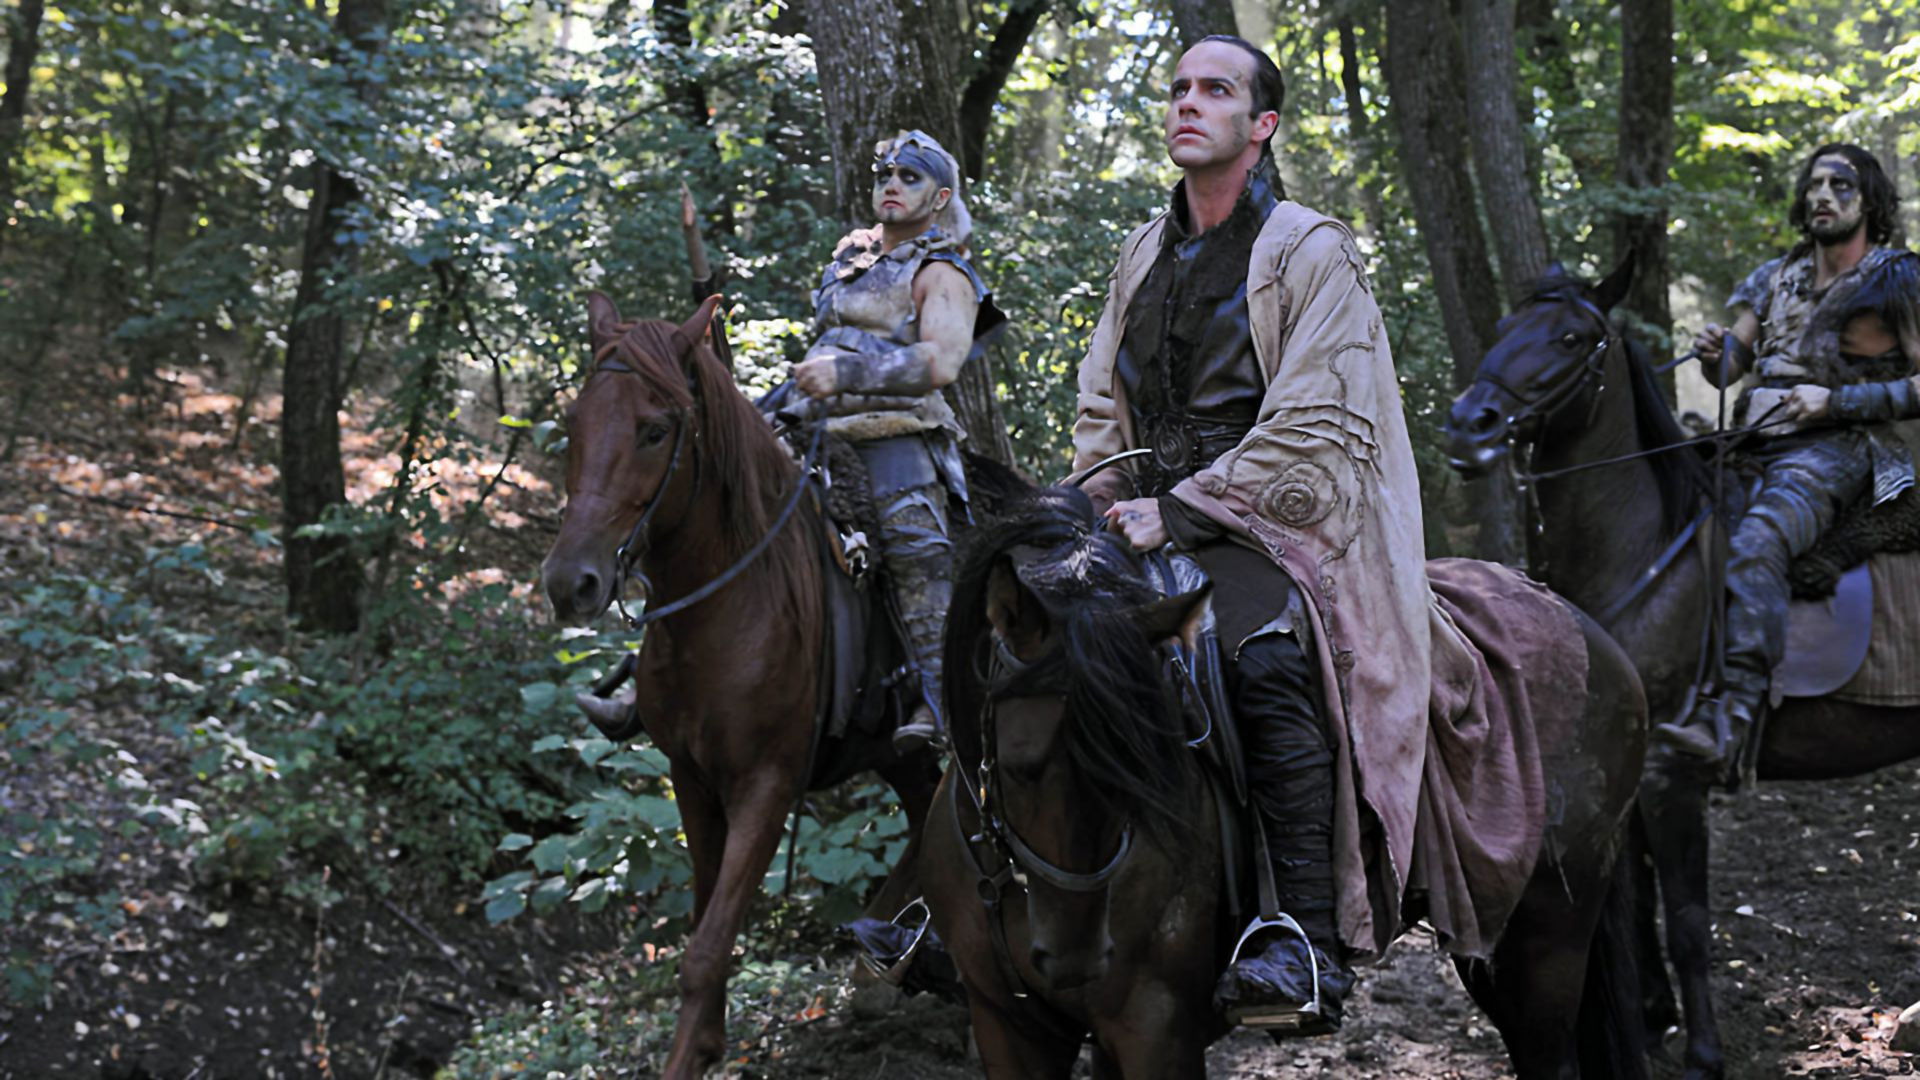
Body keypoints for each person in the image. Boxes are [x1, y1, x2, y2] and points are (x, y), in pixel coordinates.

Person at [1072, 35, 1433, 1033]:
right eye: (1179, 88)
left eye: (1216, 90)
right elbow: (1100, 401)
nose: (1189, 103)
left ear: (1262, 124)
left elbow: (1318, 417)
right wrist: (1099, 495)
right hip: (1141, 513)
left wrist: (1187, 511)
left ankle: (1305, 942)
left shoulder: (1311, 249)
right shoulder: (1141, 252)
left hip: (1271, 524)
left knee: (1263, 655)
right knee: (1018, 624)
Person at [1655, 144, 1920, 769]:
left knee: (1758, 540)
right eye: (1815, 184)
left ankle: (1732, 719)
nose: (1823, 195)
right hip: (1752, 441)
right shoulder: (1775, 276)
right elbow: (1729, 371)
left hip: (1842, 448)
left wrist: (1837, 402)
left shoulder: (1897, 276)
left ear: (1869, 200)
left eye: (1841, 185)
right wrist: (1716, 351)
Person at [790, 131, 990, 754]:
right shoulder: (848, 260)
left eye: (910, 176)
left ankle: (944, 704)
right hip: (810, 426)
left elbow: (943, 361)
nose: (892, 186)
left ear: (940, 197)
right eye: (885, 176)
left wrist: (847, 374)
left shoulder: (942, 271)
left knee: (916, 552)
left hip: (895, 436)